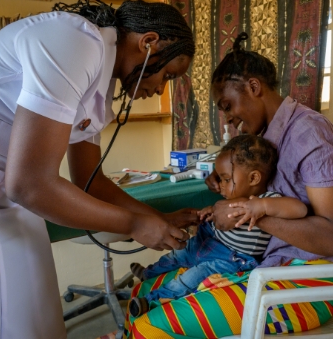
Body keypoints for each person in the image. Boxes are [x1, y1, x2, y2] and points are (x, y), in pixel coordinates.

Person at [0, 0, 198, 339]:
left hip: (1, 192)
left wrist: (157, 220)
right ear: (149, 42)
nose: (159, 90)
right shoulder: (75, 41)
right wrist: (135, 223)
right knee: (7, 321)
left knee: (40, 316)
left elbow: (90, 182)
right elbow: (30, 185)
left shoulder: (99, 83)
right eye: (168, 74)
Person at [124, 32, 333, 338]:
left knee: (151, 326)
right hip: (269, 266)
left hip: (308, 281)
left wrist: (243, 211)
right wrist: (227, 185)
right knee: (144, 290)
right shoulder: (265, 139)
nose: (228, 120)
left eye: (227, 105)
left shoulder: (308, 134)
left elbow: (329, 237)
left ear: (253, 87)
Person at [128, 134, 307, 317]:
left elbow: (299, 209)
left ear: (253, 178)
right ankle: (149, 273)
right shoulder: (230, 198)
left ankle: (152, 301)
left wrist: (261, 207)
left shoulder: (267, 199)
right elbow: (222, 216)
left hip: (232, 258)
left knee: (193, 276)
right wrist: (209, 213)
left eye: (226, 179)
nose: (220, 185)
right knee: (177, 255)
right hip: (209, 242)